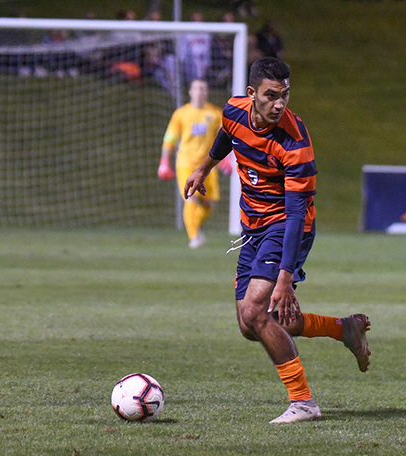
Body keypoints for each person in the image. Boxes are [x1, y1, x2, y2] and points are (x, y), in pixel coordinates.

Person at [184, 57, 372, 423]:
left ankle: (304, 402)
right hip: (253, 227)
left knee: (257, 312)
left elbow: (297, 215)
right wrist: (203, 168)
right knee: (249, 325)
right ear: (252, 94)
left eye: (285, 95)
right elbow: (226, 134)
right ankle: (343, 328)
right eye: (271, 95)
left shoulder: (295, 142)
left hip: (287, 228)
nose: (279, 103)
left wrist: (285, 277)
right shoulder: (234, 110)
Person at [158, 79, 228, 248]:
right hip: (186, 163)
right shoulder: (181, 114)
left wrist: (227, 158)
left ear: (207, 92)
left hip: (207, 165)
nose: (200, 92)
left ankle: (194, 226)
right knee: (191, 198)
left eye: (203, 88)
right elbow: (170, 138)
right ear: (190, 92)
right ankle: (194, 237)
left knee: (209, 203)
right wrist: (164, 161)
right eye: (196, 88)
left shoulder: (215, 113)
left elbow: (226, 136)